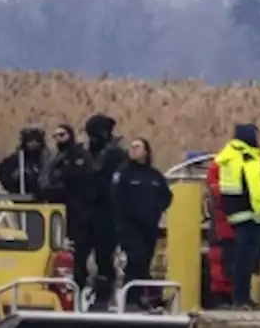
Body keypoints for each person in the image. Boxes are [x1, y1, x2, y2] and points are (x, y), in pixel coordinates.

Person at [208, 123, 260, 310]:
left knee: (244, 258)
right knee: (239, 258)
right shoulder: (246, 157)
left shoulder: (231, 157)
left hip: (239, 215)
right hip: (245, 215)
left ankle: (240, 297)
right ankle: (237, 298)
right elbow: (257, 190)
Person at [111, 138, 173, 310]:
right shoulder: (123, 173)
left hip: (149, 226)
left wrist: (156, 211)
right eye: (132, 147)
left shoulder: (154, 175)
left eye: (137, 147)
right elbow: (115, 197)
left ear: (146, 151)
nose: (133, 150)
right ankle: (131, 299)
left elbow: (166, 196)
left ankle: (142, 298)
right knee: (135, 259)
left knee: (145, 261)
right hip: (129, 226)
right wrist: (129, 214)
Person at [82, 113, 127, 306]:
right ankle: (86, 288)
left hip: (106, 212)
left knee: (104, 255)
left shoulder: (115, 155)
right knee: (81, 254)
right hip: (86, 210)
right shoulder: (85, 153)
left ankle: (103, 293)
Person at [44, 124, 97, 288]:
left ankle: (78, 286)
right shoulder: (54, 158)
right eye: (56, 136)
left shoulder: (80, 156)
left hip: (77, 213)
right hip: (56, 212)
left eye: (62, 135)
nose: (59, 139)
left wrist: (63, 181)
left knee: (77, 254)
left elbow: (82, 182)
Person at [0, 125, 51, 198]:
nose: (34, 143)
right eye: (30, 140)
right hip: (19, 199)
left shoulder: (47, 160)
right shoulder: (13, 160)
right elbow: (3, 177)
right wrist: (15, 177)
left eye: (37, 140)